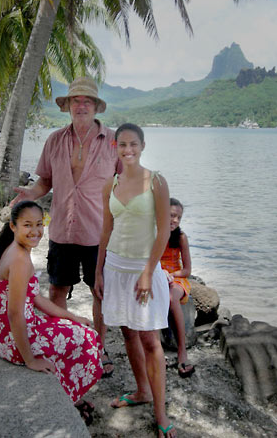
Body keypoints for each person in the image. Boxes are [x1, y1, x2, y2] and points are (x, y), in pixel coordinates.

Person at [10, 76, 120, 377]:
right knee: (58, 289)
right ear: (68, 106)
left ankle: (98, 347)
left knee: (100, 292)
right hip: (62, 231)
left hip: (99, 233)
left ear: (96, 106)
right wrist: (32, 193)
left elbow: (128, 183)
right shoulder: (55, 140)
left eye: (87, 101)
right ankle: (61, 343)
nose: (81, 105)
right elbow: (45, 179)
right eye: (76, 100)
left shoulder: (112, 141)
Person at [0, 201, 103, 425]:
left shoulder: (18, 250)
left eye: (39, 224)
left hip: (3, 332)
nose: (36, 231)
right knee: (90, 339)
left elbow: (36, 298)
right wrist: (30, 359)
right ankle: (68, 398)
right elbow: (14, 314)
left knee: (77, 327)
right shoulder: (20, 260)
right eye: (27, 225)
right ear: (13, 226)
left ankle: (68, 394)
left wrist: (70, 316)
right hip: (12, 338)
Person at [94, 123, 177, 438]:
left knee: (150, 341)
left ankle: (160, 412)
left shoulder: (156, 181)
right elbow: (105, 230)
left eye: (133, 145)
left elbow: (164, 232)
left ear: (142, 146)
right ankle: (141, 390)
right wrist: (99, 271)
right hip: (115, 267)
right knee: (128, 334)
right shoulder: (110, 184)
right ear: (115, 146)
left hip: (145, 268)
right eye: (122, 145)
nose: (128, 150)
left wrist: (146, 273)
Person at [160, 198, 195, 378]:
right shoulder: (154, 234)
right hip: (157, 275)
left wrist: (172, 275)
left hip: (176, 278)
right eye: (172, 215)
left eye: (178, 217)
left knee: (172, 297)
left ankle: (182, 351)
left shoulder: (181, 237)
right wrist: (159, 274)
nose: (175, 220)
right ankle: (157, 351)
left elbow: (187, 270)